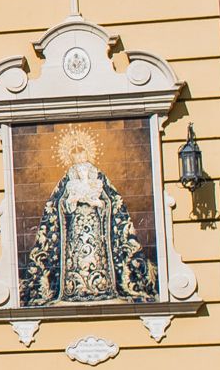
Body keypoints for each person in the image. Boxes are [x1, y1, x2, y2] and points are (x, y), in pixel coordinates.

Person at [23, 127, 161, 303]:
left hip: (96, 225)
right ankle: (75, 288)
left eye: (83, 158)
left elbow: (112, 202)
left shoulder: (99, 179)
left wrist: (97, 203)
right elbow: (57, 205)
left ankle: (100, 286)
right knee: (78, 255)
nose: (81, 167)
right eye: (76, 159)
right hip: (76, 227)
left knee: (96, 254)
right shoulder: (68, 182)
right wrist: (71, 203)